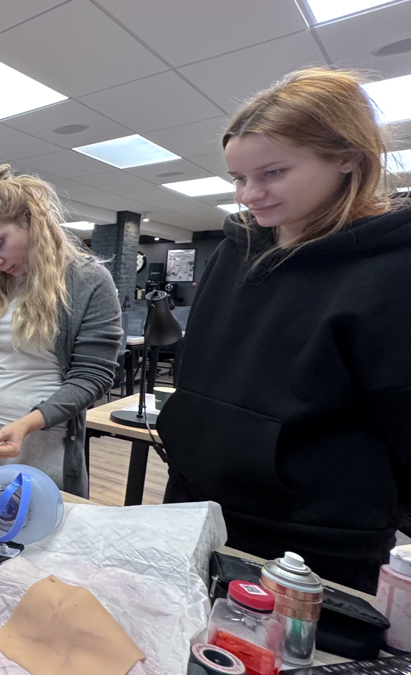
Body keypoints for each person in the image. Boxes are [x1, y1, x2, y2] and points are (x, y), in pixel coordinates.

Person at [157, 67, 411, 593]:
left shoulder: (394, 268)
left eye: (272, 173)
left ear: (346, 157)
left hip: (314, 540)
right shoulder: (235, 249)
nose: (250, 194)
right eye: (238, 178)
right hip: (193, 503)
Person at [0, 167, 122, 497]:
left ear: (32, 220)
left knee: (30, 522)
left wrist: (27, 424)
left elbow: (92, 375)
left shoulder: (88, 281)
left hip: (39, 436)